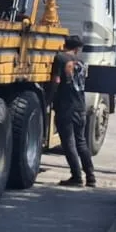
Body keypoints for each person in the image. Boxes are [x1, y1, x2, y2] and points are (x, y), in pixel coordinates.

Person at [49, 35, 96, 187]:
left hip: (66, 107)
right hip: (80, 107)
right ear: (77, 49)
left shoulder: (60, 58)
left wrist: (49, 99)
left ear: (65, 45)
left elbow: (56, 81)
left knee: (69, 143)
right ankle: (91, 177)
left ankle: (76, 177)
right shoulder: (81, 63)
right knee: (81, 142)